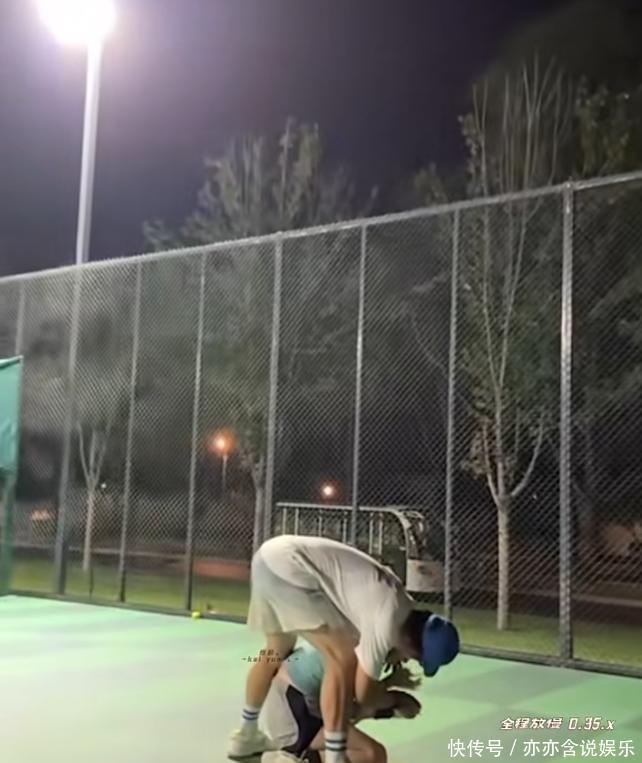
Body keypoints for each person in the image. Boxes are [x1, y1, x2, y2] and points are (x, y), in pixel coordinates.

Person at [228, 535, 459, 763]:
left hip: (269, 557)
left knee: (275, 650)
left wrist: (387, 686)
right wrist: (395, 699)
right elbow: (364, 693)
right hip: (291, 568)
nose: (408, 660)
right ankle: (335, 756)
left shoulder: (396, 605)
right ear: (411, 644)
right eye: (415, 657)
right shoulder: (387, 620)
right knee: (340, 658)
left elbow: (357, 698)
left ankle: (246, 734)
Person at [259, 643, 422, 763]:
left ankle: (303, 756)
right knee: (371, 753)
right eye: (410, 655)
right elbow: (349, 709)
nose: (406, 660)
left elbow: (349, 706)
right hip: (290, 710)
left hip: (294, 704)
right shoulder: (360, 658)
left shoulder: (365, 645)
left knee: (359, 751)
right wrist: (393, 701)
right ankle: (291, 756)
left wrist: (390, 697)